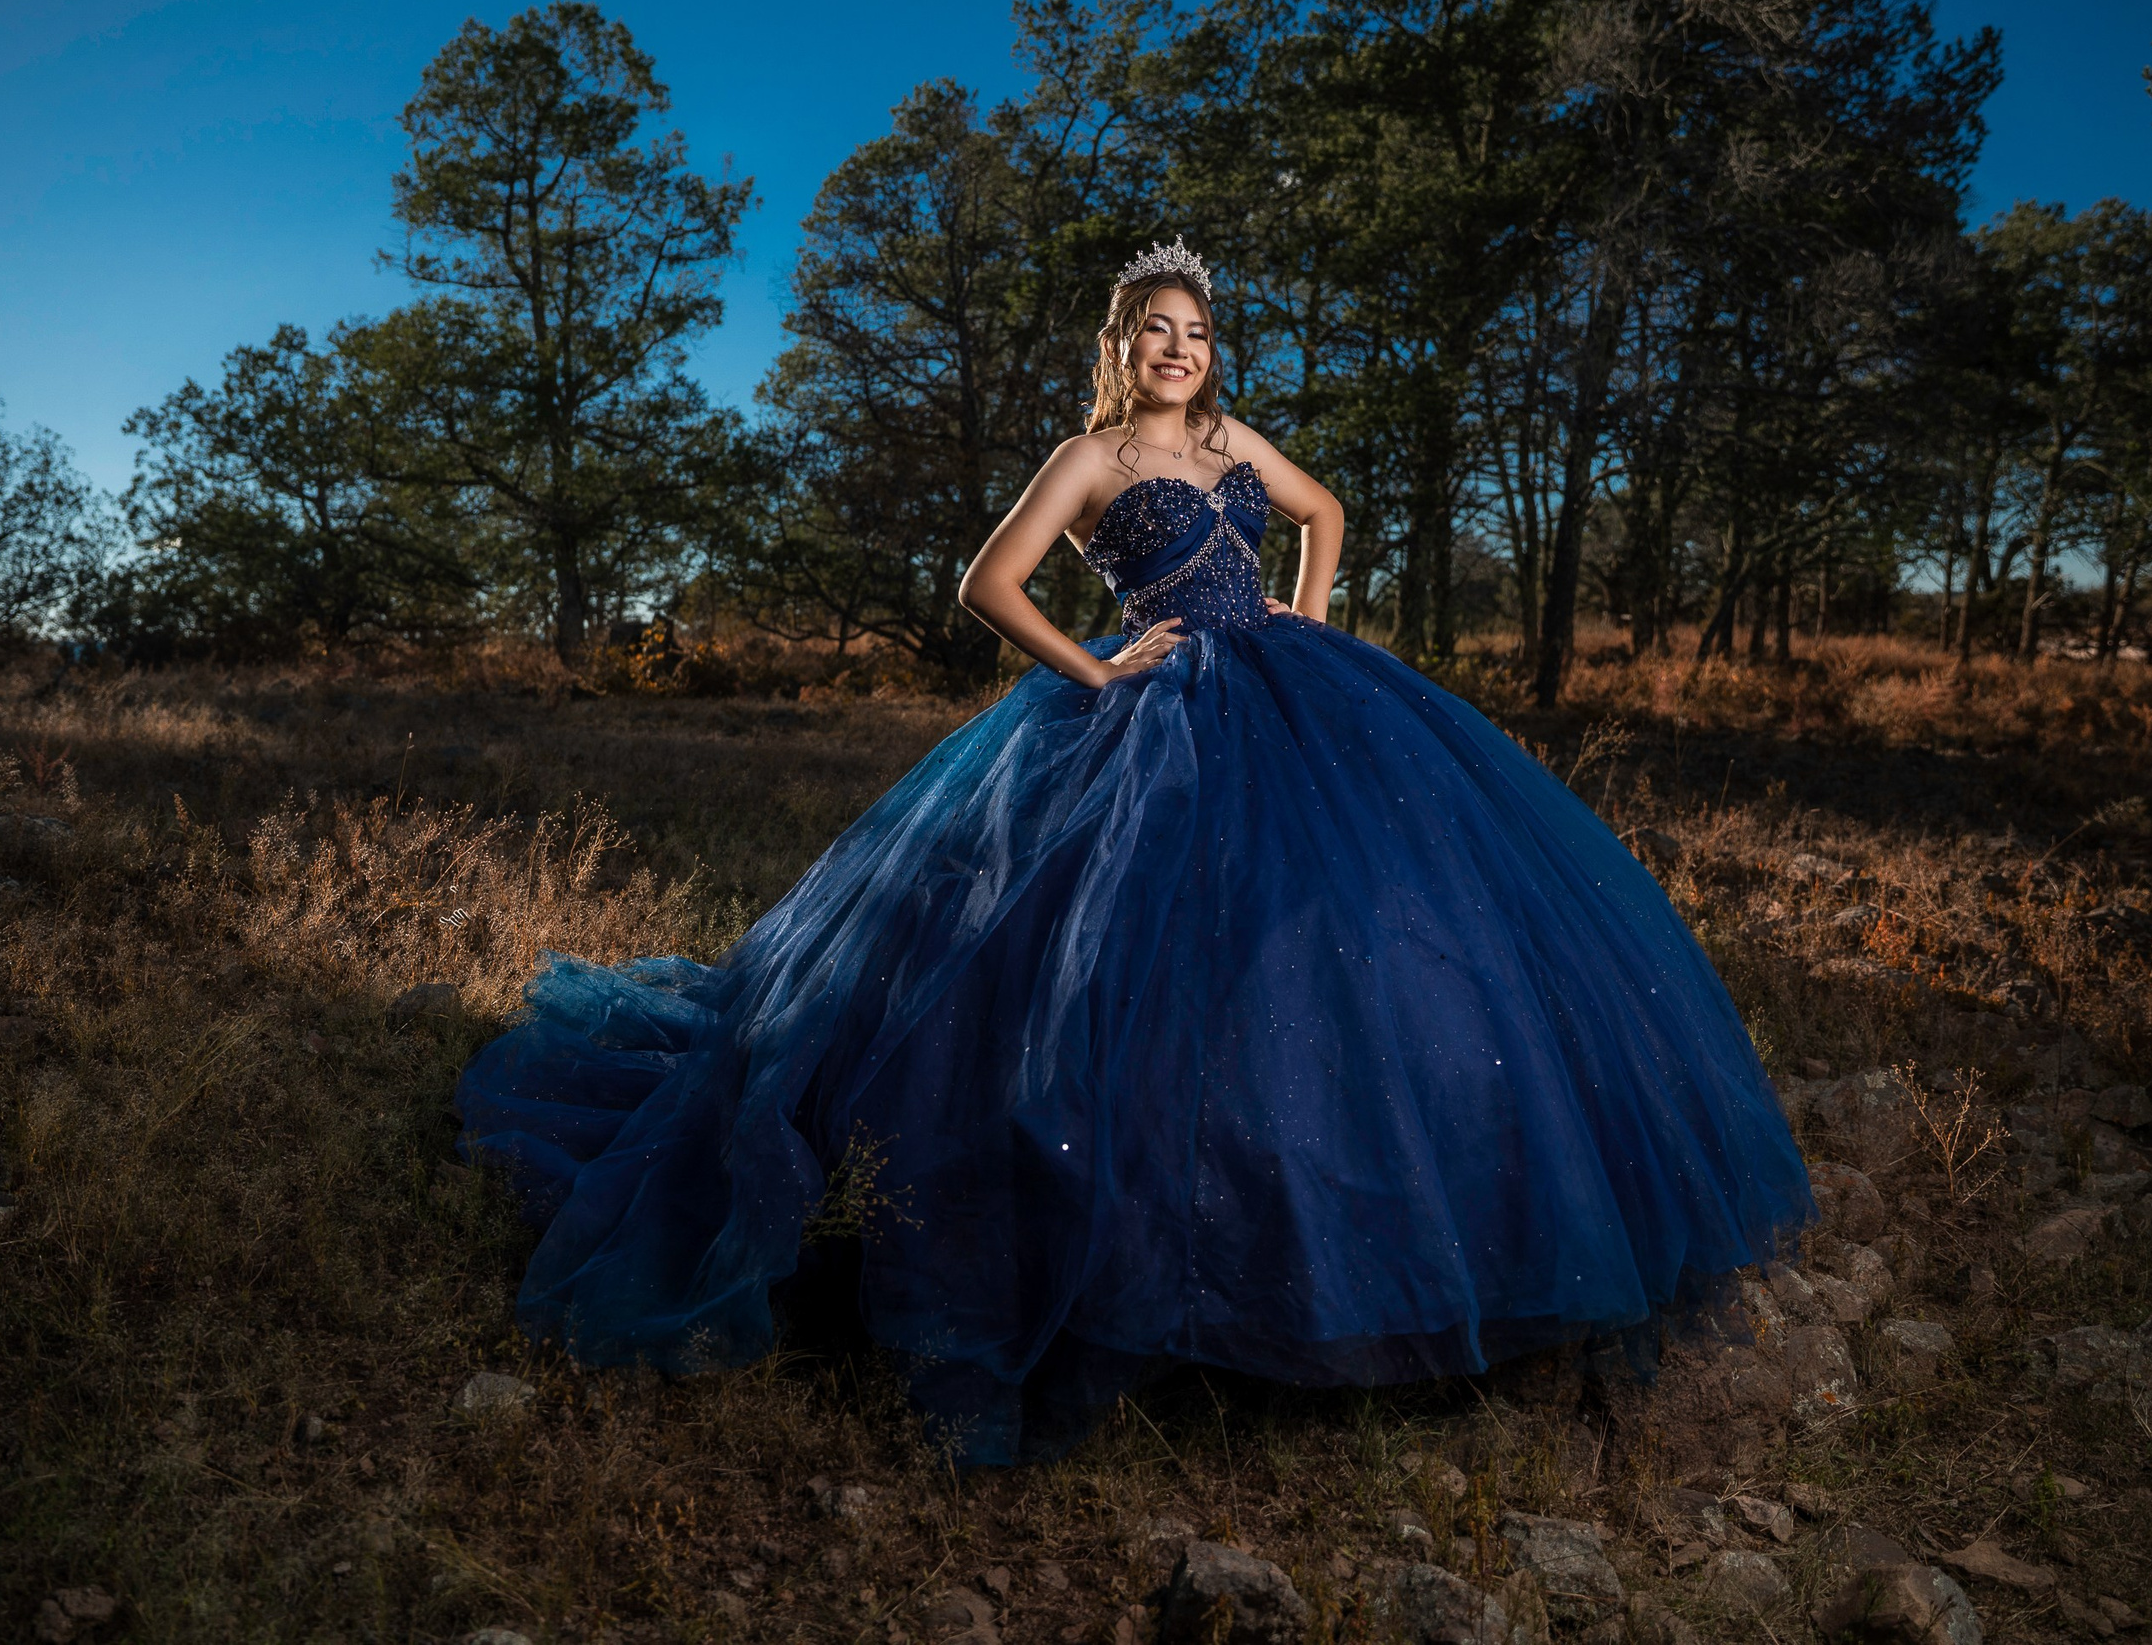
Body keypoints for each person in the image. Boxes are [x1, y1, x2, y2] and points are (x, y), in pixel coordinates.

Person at [458, 238, 1815, 1465]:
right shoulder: (1092, 459)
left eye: (1197, 332)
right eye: (1157, 330)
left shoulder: (1233, 437)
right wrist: (1097, 674)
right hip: (1148, 709)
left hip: (1285, 686)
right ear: (1121, 344)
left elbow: (1325, 511)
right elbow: (988, 584)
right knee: (1108, 954)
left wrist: (1305, 617)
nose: (1179, 349)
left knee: (1343, 925)